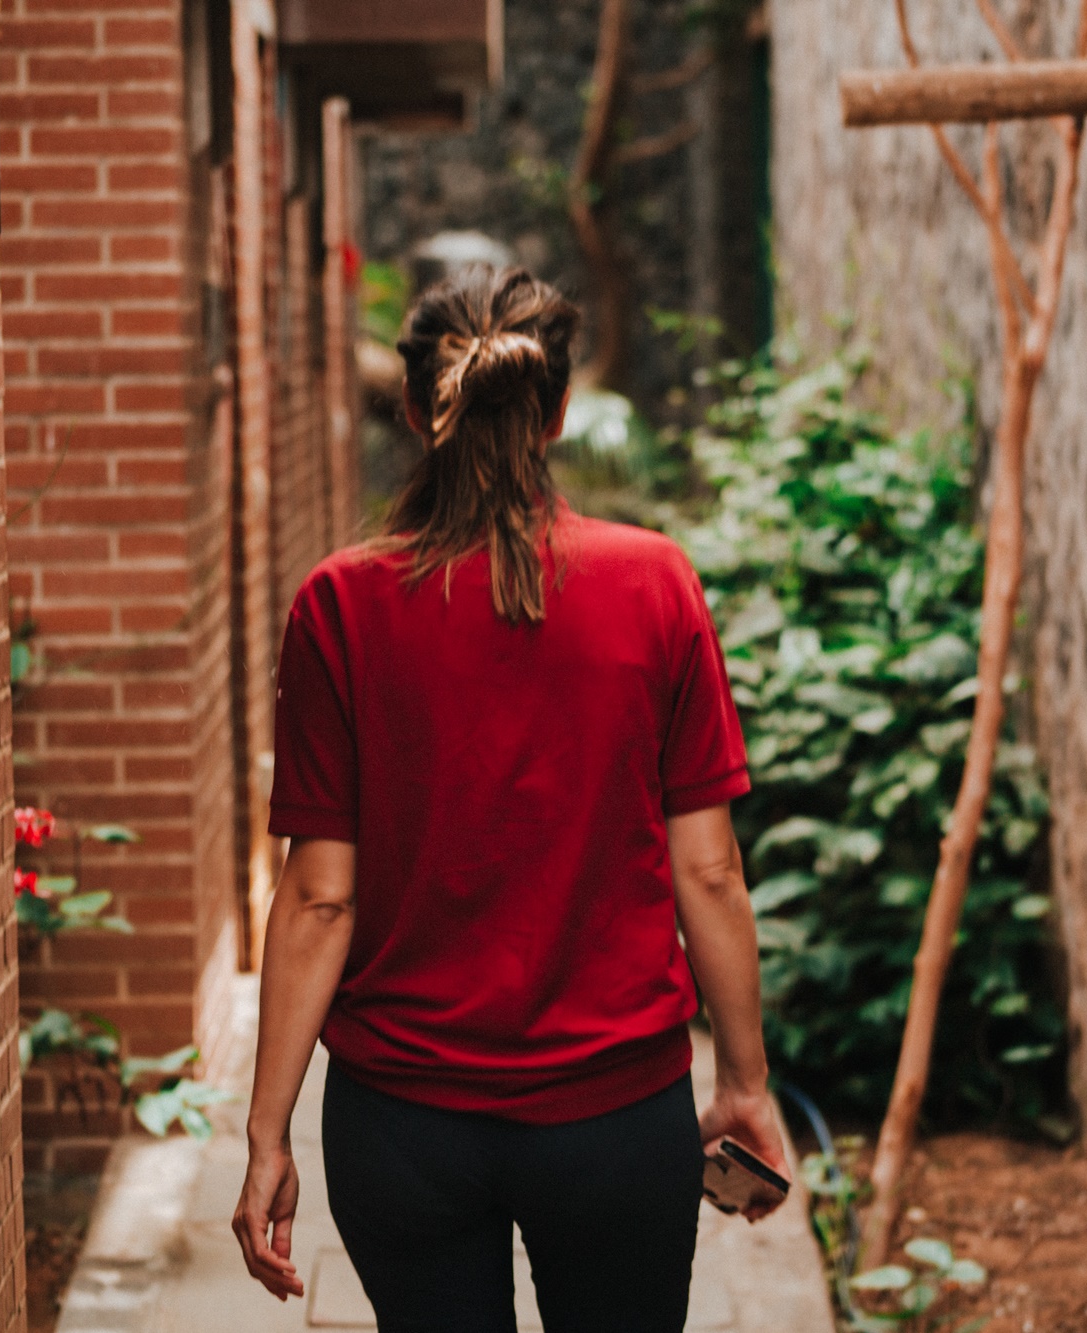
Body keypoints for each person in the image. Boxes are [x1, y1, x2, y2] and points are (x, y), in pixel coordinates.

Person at [231, 266, 790, 1333]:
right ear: (558, 413)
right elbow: (708, 869)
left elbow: (317, 898)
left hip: (401, 1128)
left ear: (411, 411)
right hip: (615, 1121)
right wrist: (745, 1082)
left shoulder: (339, 606)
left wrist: (267, 1137)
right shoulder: (654, 583)